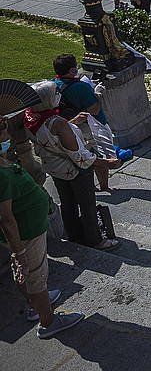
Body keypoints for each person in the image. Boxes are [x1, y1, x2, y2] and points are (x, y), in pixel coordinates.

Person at [0, 117, 85, 337]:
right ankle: (48, 322)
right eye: (2, 128)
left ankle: (36, 304)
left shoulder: (3, 162)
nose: (7, 132)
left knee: (27, 273)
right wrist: (19, 252)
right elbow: (6, 219)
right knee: (33, 276)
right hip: (26, 234)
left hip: (28, 230)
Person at [25, 81, 118, 250]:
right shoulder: (57, 122)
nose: (59, 96)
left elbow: (52, 138)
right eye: (55, 94)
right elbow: (78, 156)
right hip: (75, 169)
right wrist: (106, 163)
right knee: (87, 204)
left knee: (67, 203)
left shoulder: (32, 119)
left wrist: (72, 122)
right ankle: (95, 240)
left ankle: (73, 235)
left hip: (55, 168)